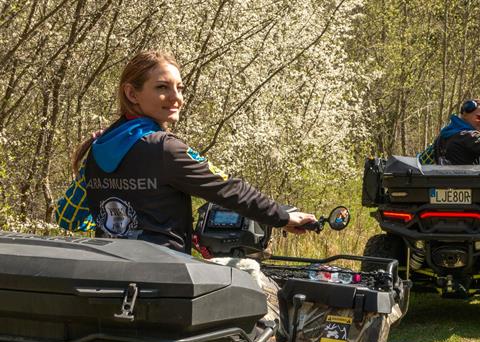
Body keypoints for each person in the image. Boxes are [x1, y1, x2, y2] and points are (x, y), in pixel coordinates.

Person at [56, 50, 316, 254]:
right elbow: (228, 189)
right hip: (162, 282)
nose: (176, 98)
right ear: (132, 93)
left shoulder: (99, 147)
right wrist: (283, 217)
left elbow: (70, 218)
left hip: (109, 277)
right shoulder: (163, 148)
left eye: (179, 88)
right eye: (162, 87)